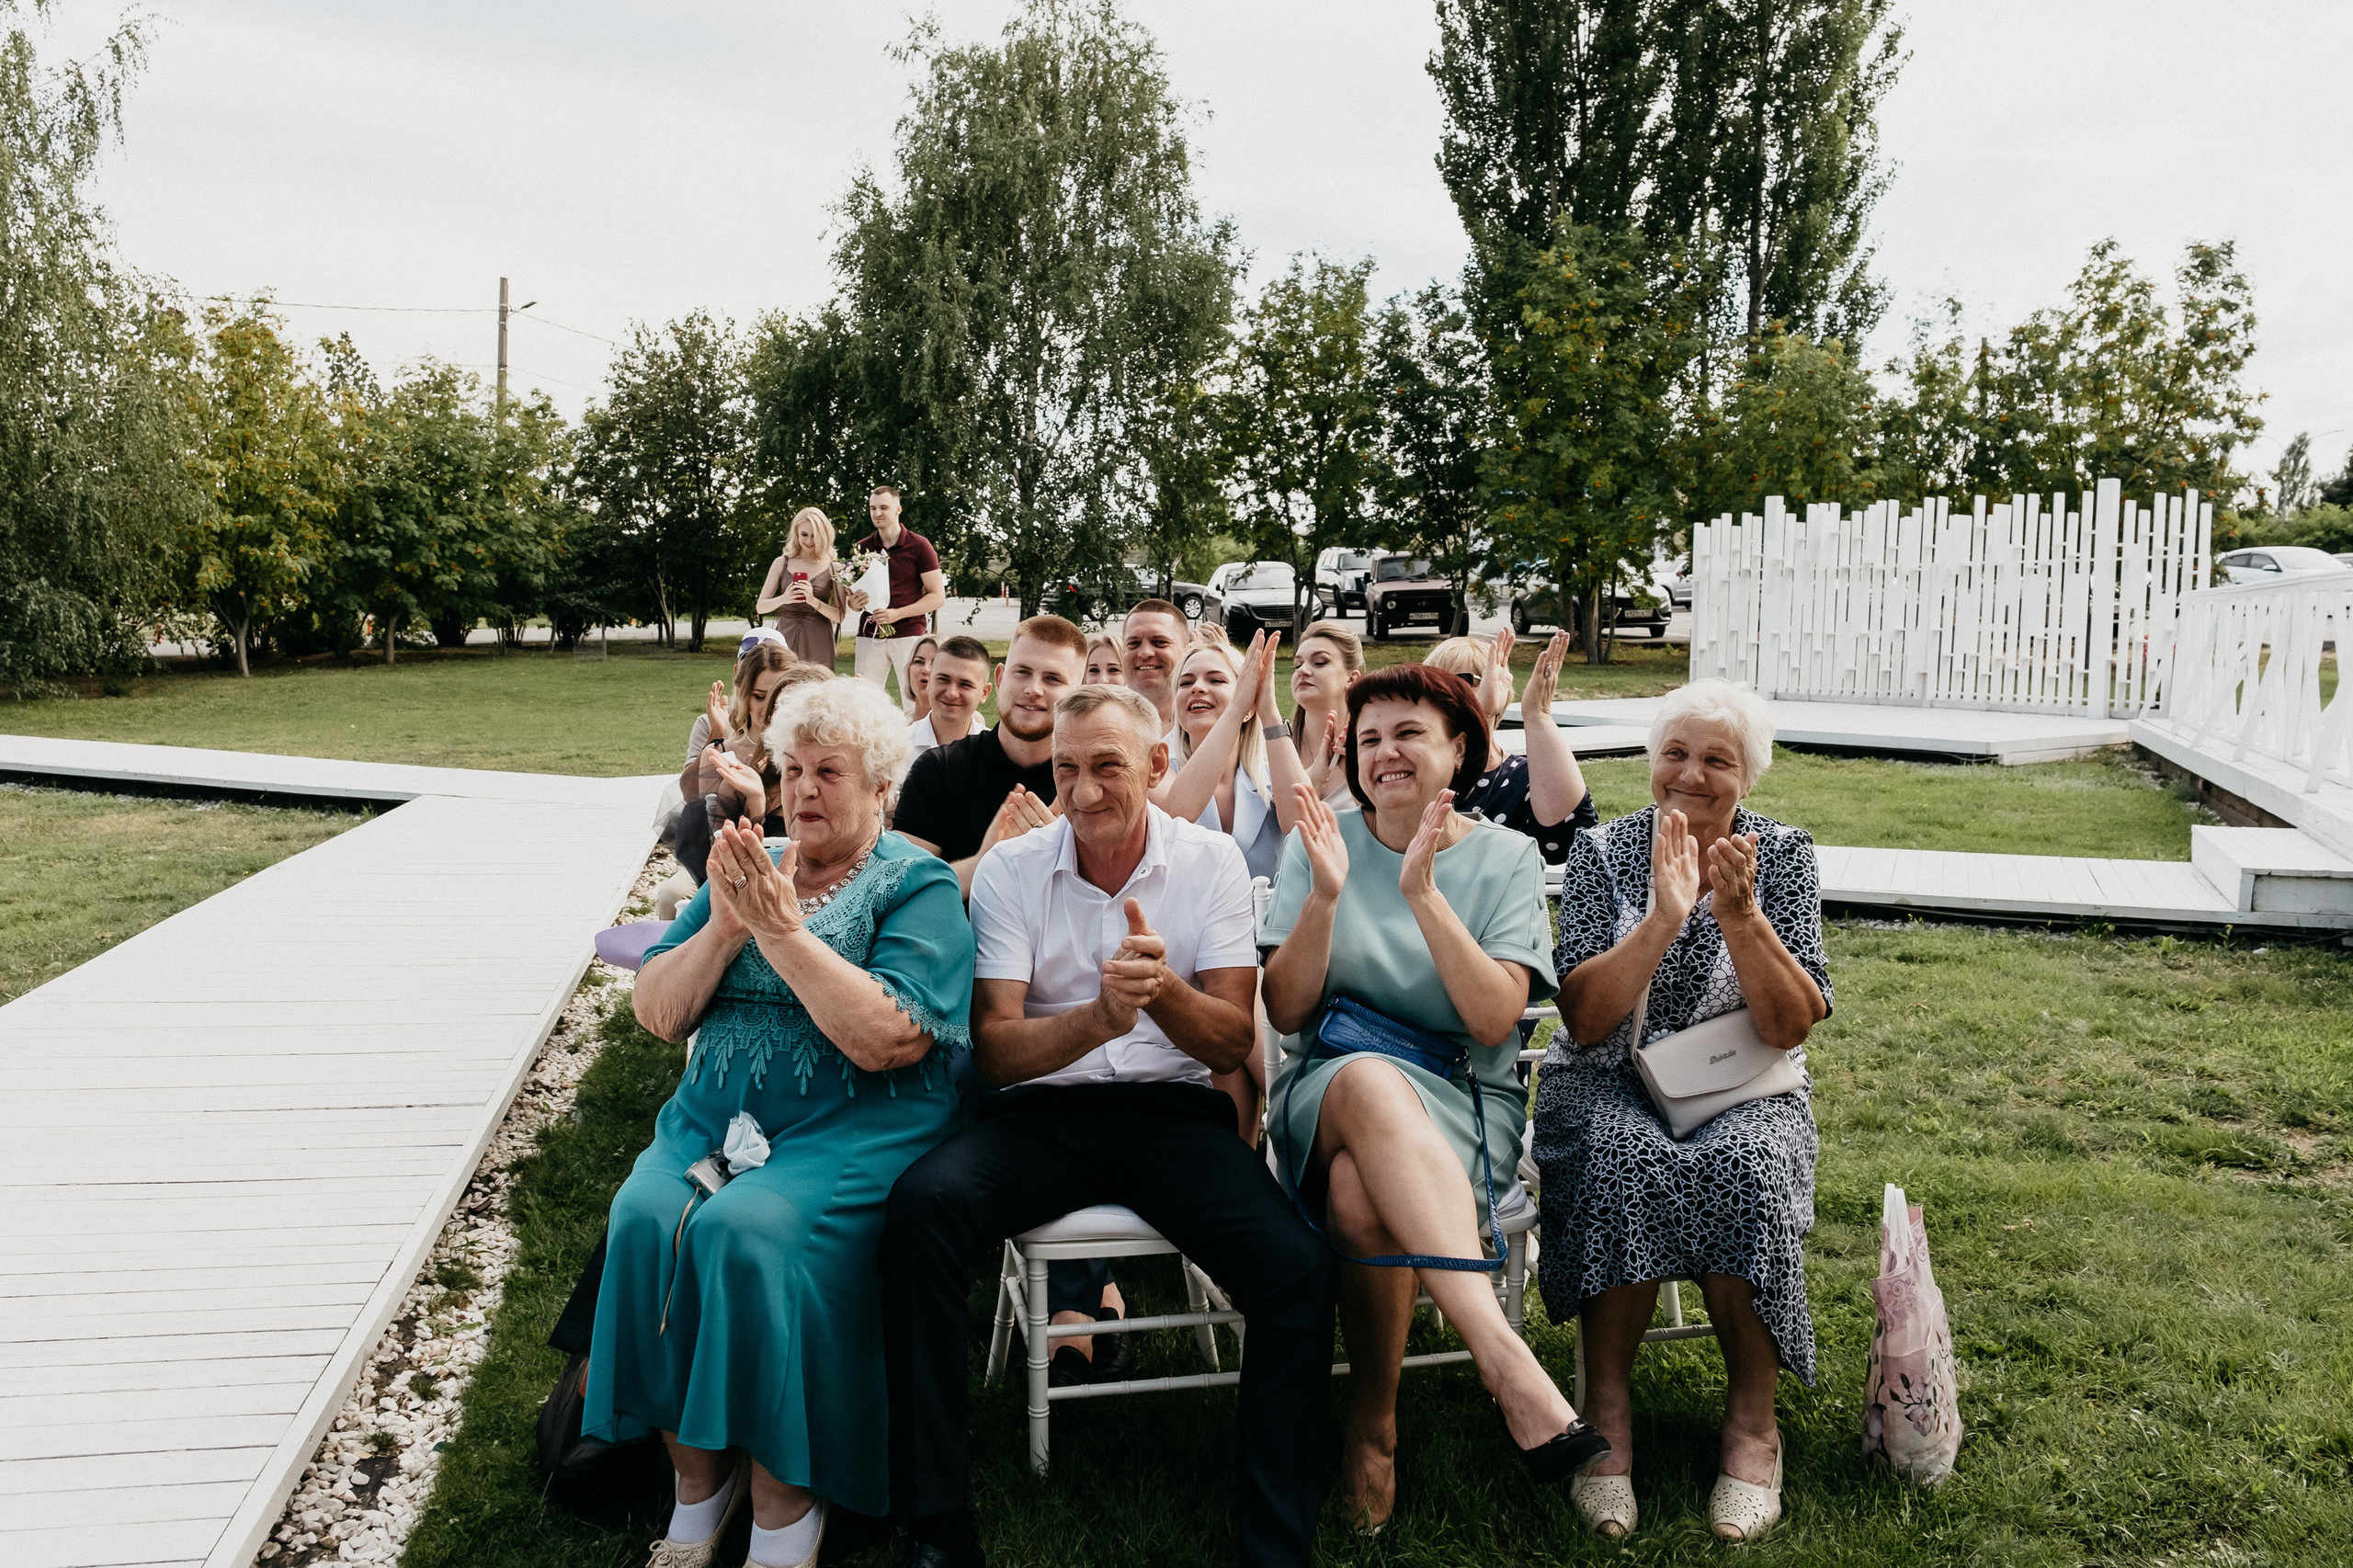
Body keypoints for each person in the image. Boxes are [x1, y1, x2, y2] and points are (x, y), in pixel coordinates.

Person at [882, 685, 1336, 1568]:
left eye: (1106, 767)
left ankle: (1276, 1544)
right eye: (1066, 769)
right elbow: (1000, 1053)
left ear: (1159, 765)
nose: (1082, 791)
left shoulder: (1208, 864)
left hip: (1172, 1118)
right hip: (1042, 1112)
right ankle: (934, 1524)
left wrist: (1162, 994)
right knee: (920, 1213)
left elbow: (1233, 1037)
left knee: (1296, 1270)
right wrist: (1097, 1018)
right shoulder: (1016, 869)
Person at [585, 677, 974, 1568]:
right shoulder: (746, 859)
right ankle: (697, 1489)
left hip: (849, 1125)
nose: (801, 789)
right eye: (792, 768)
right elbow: (656, 1008)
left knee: (747, 1235)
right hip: (709, 1122)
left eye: (828, 771)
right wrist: (724, 927)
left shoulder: (913, 884)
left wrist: (784, 935)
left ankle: (785, 1501)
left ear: (883, 786)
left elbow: (890, 1038)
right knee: (645, 1219)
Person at [1258, 663, 1608, 1534]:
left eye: (1409, 733)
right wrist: (1329, 896)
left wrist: (1420, 893)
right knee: (1367, 1084)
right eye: (1368, 738)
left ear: (1460, 750)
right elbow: (1289, 1009)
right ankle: (1505, 1362)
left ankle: (1373, 1428)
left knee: (1356, 1195)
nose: (1386, 753)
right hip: (1325, 1089)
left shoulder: (1506, 856)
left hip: (1460, 1100)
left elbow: (1494, 1019)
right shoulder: (1321, 843)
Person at [1533, 678, 1831, 1543]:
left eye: (1717, 760)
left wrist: (1740, 915)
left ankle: (1752, 1426)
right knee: (1620, 1157)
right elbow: (1586, 1021)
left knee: (1749, 1166)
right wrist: (1664, 918)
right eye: (1676, 753)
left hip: (1744, 1085)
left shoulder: (1784, 855)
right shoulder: (1605, 853)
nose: (1691, 775)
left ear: (1750, 777)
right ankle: (1608, 1418)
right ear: (1651, 761)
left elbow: (1789, 1024)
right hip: (1610, 1078)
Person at [892, 617, 1085, 900]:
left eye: (1052, 678)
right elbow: (899, 890)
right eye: (1022, 672)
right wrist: (988, 857)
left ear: (1077, 694)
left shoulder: (1089, 784)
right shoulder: (939, 769)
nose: (1034, 689)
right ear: (999, 678)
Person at [1425, 630, 1594, 865]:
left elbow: (1571, 841)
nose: (1445, 694)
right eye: (1433, 685)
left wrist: (1538, 715)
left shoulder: (1524, 776)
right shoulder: (1418, 768)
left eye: (1460, 681)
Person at [1154, 632, 1306, 883]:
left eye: (1215, 680)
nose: (1198, 688)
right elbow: (1178, 811)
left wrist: (1267, 711)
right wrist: (1236, 708)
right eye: (1185, 683)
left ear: (1249, 708)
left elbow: (1303, 829)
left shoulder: (1270, 775)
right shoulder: (1158, 769)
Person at [847, 485, 946, 713]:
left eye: (883, 507)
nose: (877, 513)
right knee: (863, 702)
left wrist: (897, 614)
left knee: (915, 701)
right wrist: (854, 603)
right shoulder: (862, 548)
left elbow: (937, 596)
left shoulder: (920, 546)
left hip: (909, 632)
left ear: (898, 509)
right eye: (872, 508)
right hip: (870, 633)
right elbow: (852, 599)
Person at [756, 506, 847, 667]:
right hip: (785, 634)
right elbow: (760, 607)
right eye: (804, 535)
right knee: (782, 684)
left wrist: (812, 601)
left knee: (818, 687)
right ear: (796, 533)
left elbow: (839, 616)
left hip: (819, 637)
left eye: (815, 535)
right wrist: (784, 598)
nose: (809, 541)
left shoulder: (835, 567)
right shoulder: (781, 562)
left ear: (824, 535)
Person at [1287, 620, 1363, 806]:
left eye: (1319, 662)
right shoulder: (1276, 745)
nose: (1303, 671)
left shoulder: (1370, 747)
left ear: (1351, 679)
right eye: (1298, 665)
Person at [904, 636, 989, 769]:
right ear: (930, 681)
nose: (951, 693)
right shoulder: (898, 747)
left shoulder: (997, 753)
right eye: (943, 679)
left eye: (965, 684)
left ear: (984, 693)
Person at [1119, 598, 1188, 736]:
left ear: (1186, 651)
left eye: (1159, 642)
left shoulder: (1209, 721)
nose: (1145, 653)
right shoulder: (1102, 720)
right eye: (1134, 643)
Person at [904, 636, 941, 726]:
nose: (926, 670)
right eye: (918, 661)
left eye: (935, 663)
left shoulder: (970, 722)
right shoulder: (898, 725)